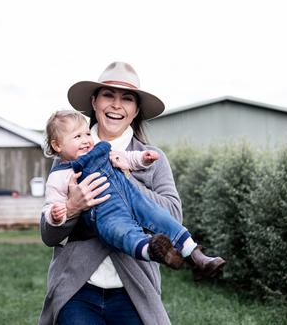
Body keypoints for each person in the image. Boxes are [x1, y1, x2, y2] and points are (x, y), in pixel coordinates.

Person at [39, 62, 221, 325]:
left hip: (134, 290)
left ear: (136, 110)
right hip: (77, 288)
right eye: (108, 95)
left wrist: (127, 181)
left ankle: (180, 252)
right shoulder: (69, 155)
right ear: (94, 101)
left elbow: (172, 214)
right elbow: (48, 234)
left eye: (127, 98)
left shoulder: (151, 158)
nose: (116, 105)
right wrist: (72, 206)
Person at [42, 110, 225, 272]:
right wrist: (62, 211)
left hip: (132, 195)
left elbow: (127, 158)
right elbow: (52, 205)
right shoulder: (61, 174)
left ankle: (195, 253)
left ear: (136, 109)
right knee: (120, 231)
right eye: (77, 137)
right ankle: (153, 251)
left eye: (87, 134)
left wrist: (143, 159)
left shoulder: (102, 149)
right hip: (106, 212)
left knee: (157, 214)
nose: (85, 140)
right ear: (58, 146)